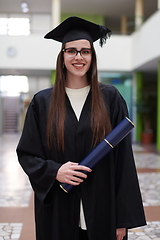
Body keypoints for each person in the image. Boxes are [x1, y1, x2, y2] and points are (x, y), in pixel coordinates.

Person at [16, 16, 146, 240]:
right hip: (58, 206)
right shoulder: (43, 102)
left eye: (85, 51)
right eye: (72, 51)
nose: (79, 57)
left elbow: (123, 160)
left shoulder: (110, 98)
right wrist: (55, 171)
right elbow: (27, 154)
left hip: (102, 207)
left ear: (92, 57)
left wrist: (123, 219)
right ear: (62, 56)